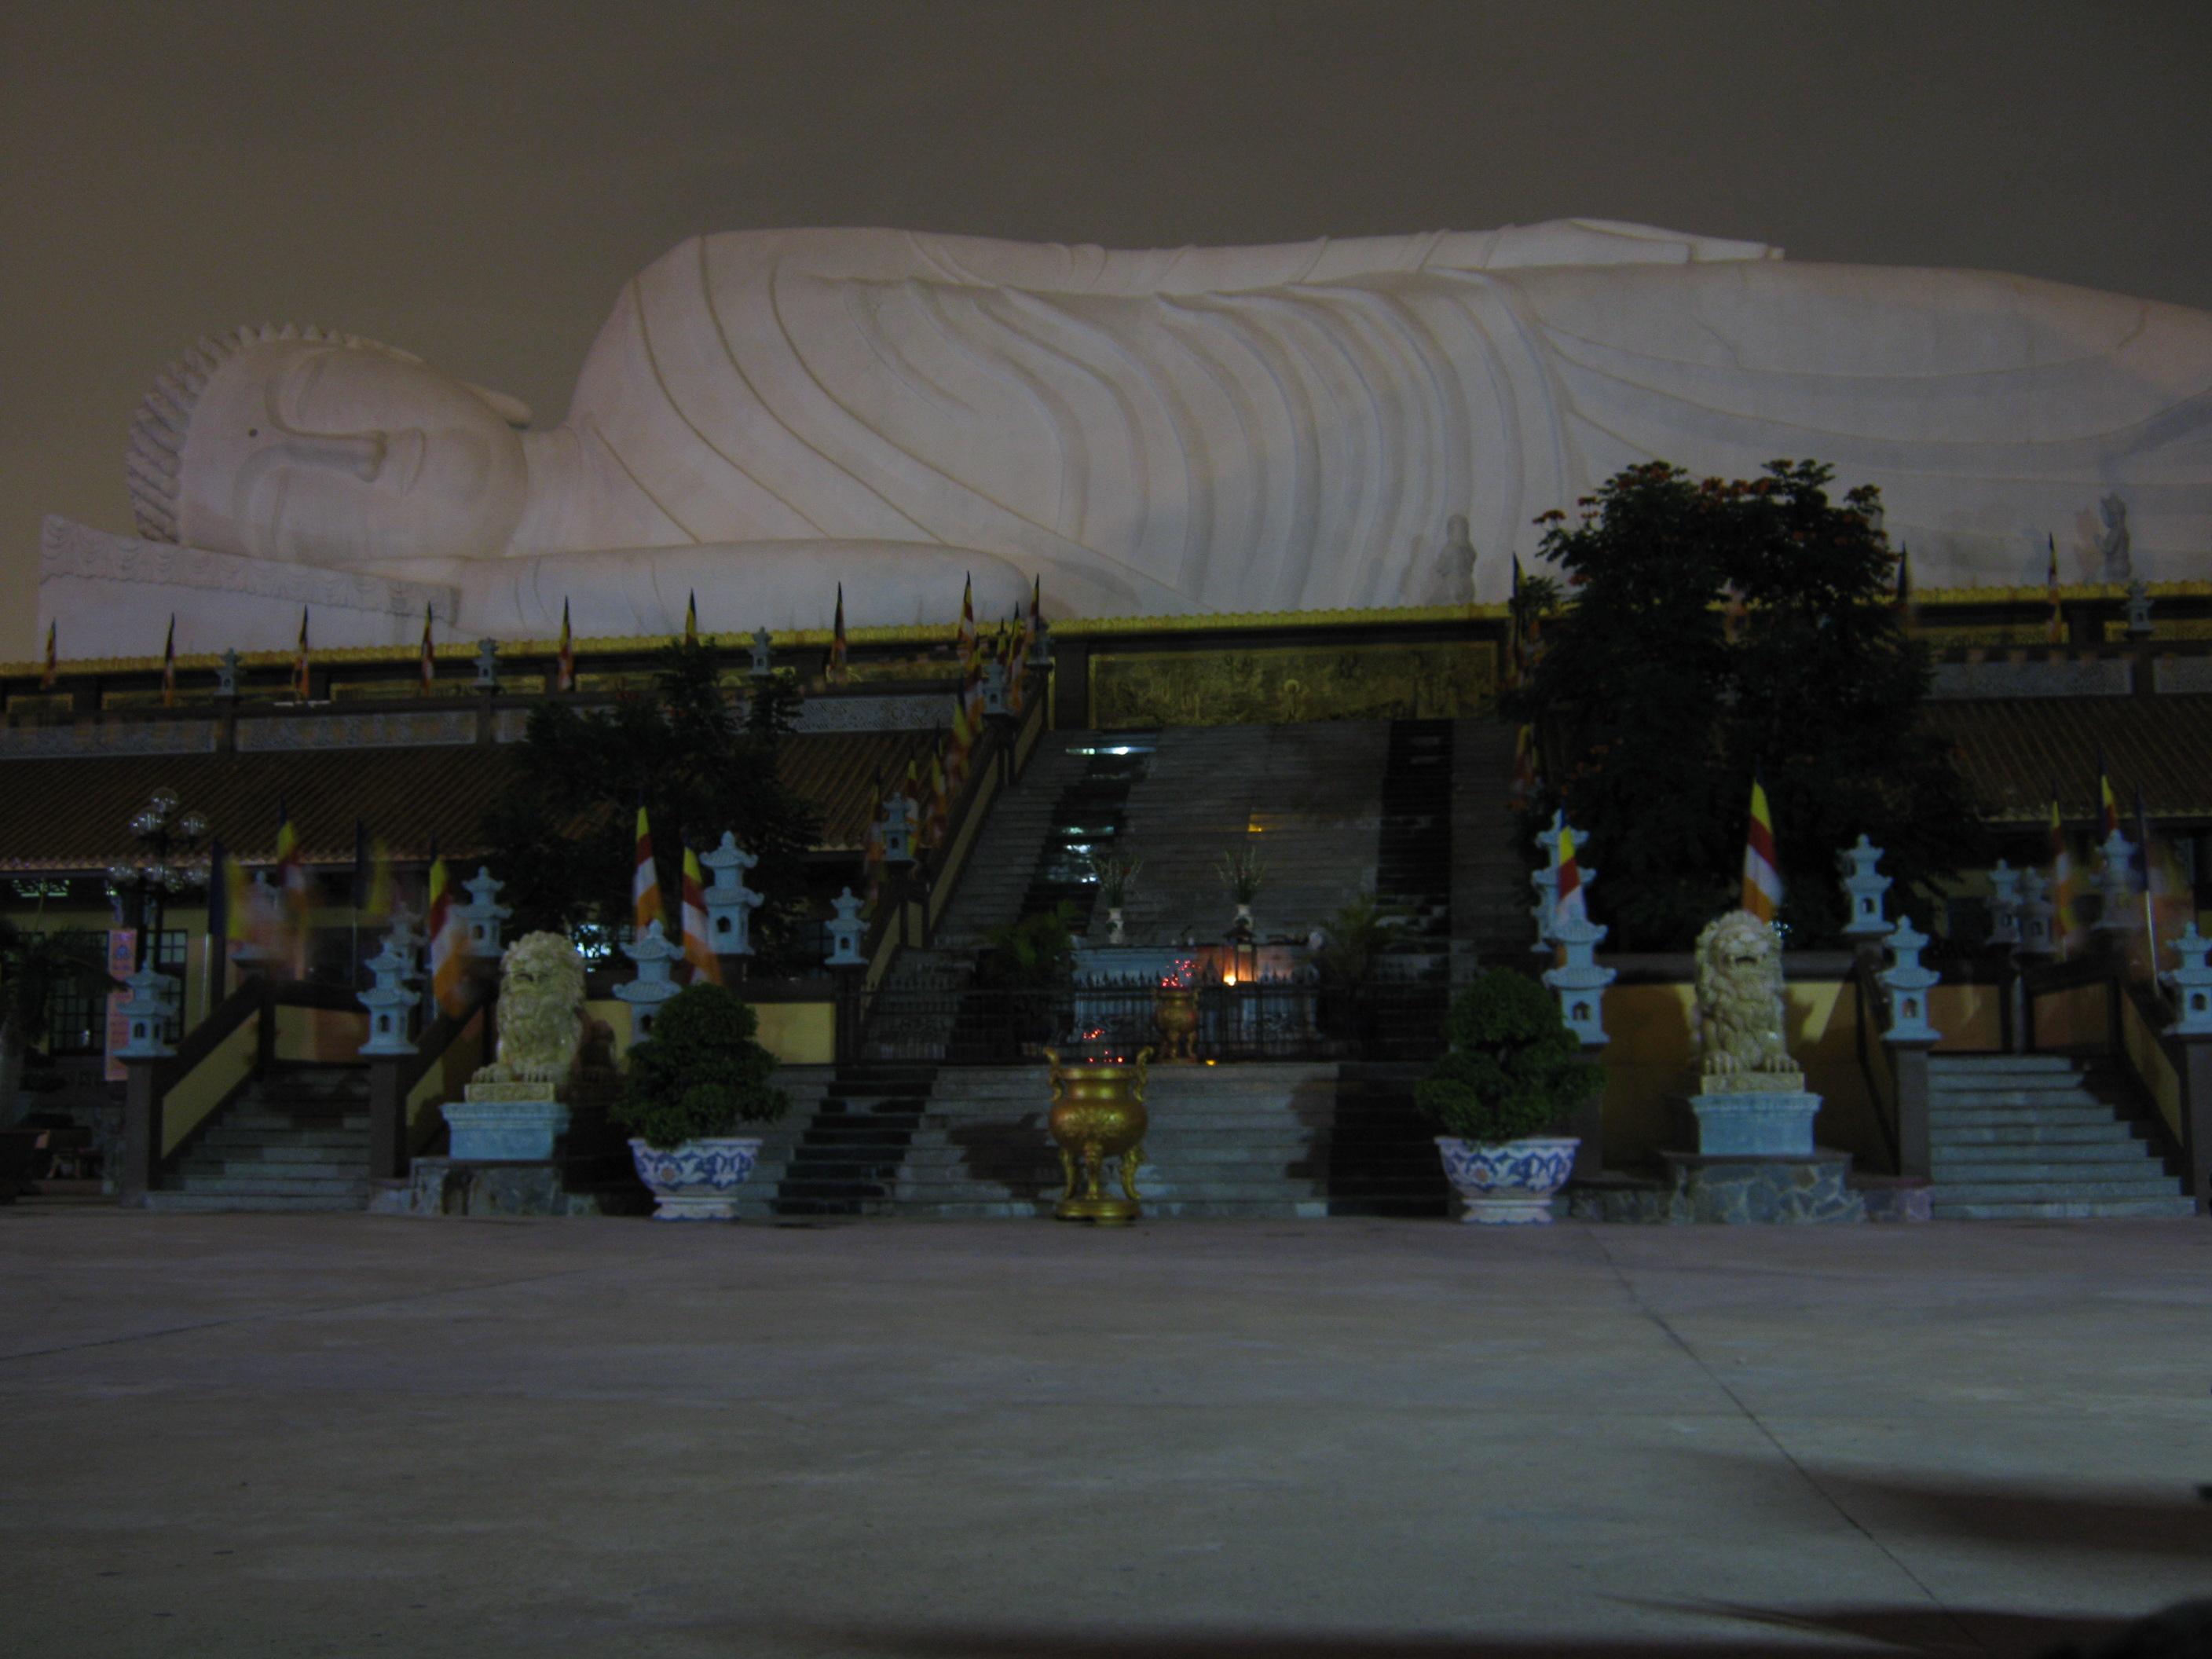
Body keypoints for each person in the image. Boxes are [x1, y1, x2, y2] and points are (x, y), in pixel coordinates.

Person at [126, 220, 2212, 634]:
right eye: (283, 510)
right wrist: (501, 603)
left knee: (1995, 348)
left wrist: (1512, 250)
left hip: (1454, 362)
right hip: (1407, 566)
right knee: (1950, 539)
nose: (333, 466)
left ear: (437, 366)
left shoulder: (699, 292)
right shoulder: (624, 596)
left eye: (311, 413)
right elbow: (974, 590)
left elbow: (1130, 283)